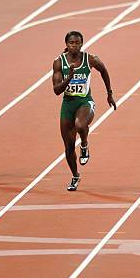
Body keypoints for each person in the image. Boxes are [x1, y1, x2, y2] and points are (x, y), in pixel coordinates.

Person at [52, 31, 116, 191]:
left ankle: (85, 145)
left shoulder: (90, 59)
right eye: (71, 43)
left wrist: (109, 94)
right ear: (66, 44)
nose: (74, 45)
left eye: (77, 43)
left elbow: (104, 71)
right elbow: (56, 90)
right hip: (68, 104)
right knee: (68, 147)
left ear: (82, 44)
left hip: (85, 101)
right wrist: (69, 77)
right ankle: (75, 176)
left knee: (80, 125)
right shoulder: (59, 62)